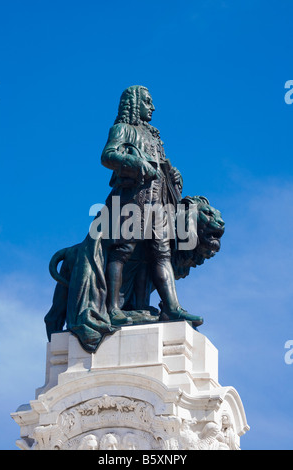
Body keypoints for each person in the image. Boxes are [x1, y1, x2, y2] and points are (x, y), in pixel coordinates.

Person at [101, 85, 203, 327]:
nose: (153, 107)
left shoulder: (154, 136)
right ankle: (113, 308)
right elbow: (107, 156)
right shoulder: (122, 129)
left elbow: (162, 167)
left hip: (159, 202)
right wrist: (135, 163)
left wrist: (174, 175)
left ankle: (172, 308)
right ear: (135, 103)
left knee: (162, 254)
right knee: (122, 251)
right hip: (132, 198)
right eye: (147, 102)